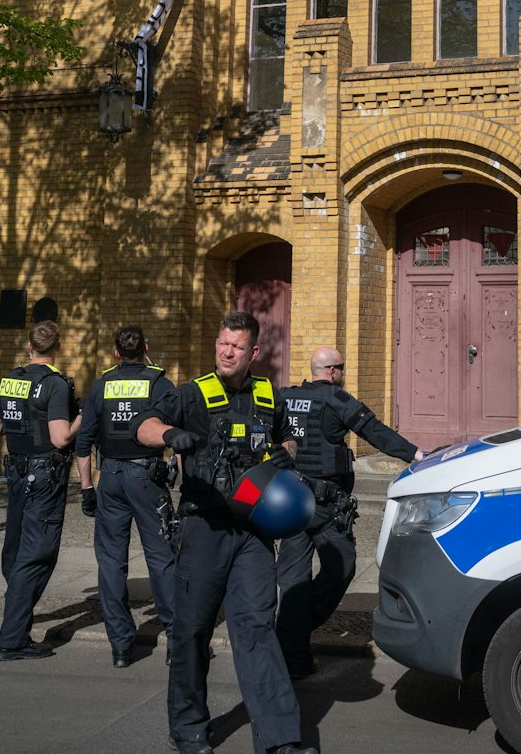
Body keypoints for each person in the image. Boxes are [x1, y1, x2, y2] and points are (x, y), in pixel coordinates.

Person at [133, 312, 317, 754]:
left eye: (235, 346)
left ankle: (280, 740)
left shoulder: (267, 395)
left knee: (257, 629)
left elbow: (288, 440)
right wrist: (170, 434)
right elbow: (144, 426)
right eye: (222, 343)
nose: (226, 351)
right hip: (203, 528)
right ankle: (189, 727)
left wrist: (284, 453)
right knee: (191, 630)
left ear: (254, 352)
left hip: (253, 531)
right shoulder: (193, 393)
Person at [275, 346, 419, 679]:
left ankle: (291, 643)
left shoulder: (285, 396)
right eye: (343, 368)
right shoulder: (337, 400)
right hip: (324, 506)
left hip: (290, 500)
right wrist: (415, 453)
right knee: (341, 565)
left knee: (293, 580)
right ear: (333, 371)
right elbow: (376, 432)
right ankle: (293, 633)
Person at [72, 323, 179, 669]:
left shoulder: (102, 385)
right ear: (145, 347)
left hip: (112, 478)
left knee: (111, 562)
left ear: (116, 353)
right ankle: (178, 639)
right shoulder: (160, 383)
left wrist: (87, 488)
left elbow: (83, 443)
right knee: (161, 557)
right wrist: (175, 468)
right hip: (147, 477)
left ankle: (120, 646)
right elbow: (177, 433)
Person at [0, 320, 76, 661]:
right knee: (37, 554)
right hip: (44, 474)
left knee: (16, 547)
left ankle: (17, 622)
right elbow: (60, 438)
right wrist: (83, 417)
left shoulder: (11, 379)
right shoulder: (56, 384)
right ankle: (13, 639)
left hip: (17, 473)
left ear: (28, 345)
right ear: (58, 346)